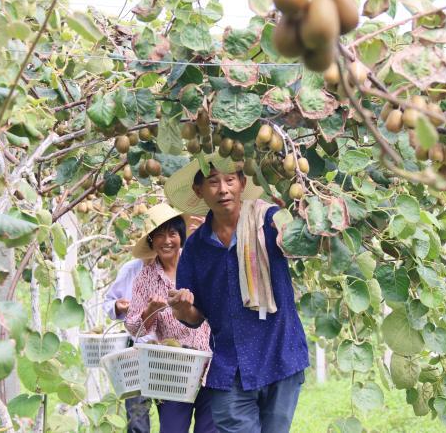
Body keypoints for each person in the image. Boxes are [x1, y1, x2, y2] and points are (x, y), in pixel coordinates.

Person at [164, 154, 309, 433]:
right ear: (199, 191)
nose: (223, 189)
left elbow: (295, 236)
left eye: (230, 180)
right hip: (231, 368)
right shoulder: (195, 248)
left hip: (281, 355)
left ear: (242, 183)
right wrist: (182, 309)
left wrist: (293, 224)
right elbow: (194, 318)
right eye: (212, 182)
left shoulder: (267, 220)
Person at [124, 203, 216, 433]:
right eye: (159, 236)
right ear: (151, 241)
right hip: (173, 371)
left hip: (211, 365)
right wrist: (150, 311)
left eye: (173, 234)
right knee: (172, 429)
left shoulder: (198, 262)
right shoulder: (145, 278)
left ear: (181, 236)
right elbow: (133, 328)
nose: (167, 241)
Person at [102, 257, 148, 432]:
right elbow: (109, 302)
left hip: (168, 353)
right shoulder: (132, 268)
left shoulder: (179, 262)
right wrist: (117, 306)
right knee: (137, 420)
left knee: (171, 419)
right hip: (136, 352)